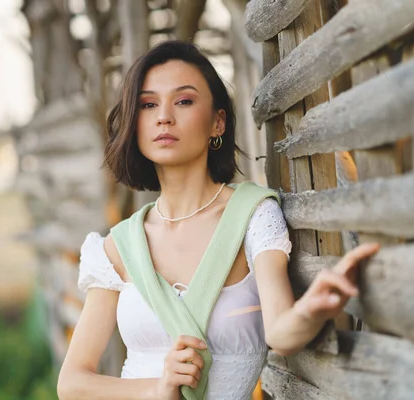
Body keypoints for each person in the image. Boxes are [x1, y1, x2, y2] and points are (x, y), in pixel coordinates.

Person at [56, 40, 379, 400]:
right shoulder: (120, 245)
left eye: (183, 101)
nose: (164, 115)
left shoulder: (251, 215)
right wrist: (158, 389)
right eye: (148, 104)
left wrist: (313, 308)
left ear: (217, 122)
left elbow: (281, 333)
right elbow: (72, 383)